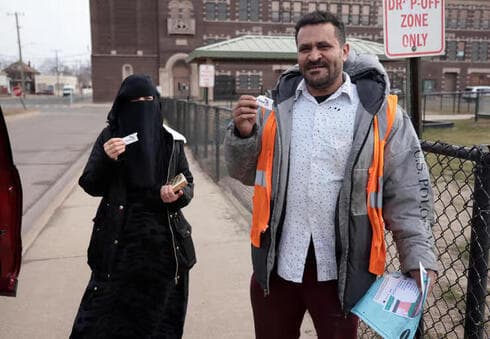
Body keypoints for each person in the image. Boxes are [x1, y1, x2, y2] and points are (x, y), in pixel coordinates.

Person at [224, 11, 437, 339]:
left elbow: (408, 192)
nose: (314, 55)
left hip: (341, 274)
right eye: (305, 48)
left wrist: (417, 257)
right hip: (275, 268)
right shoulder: (276, 108)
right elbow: (243, 173)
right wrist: (242, 135)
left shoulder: (381, 113)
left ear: (345, 50)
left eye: (324, 46)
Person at [70, 74, 195, 338]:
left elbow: (187, 183)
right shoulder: (110, 137)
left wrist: (176, 194)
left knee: (158, 323)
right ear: (122, 104)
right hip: (119, 245)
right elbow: (91, 184)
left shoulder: (171, 140)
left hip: (164, 248)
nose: (142, 106)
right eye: (134, 100)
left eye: (148, 100)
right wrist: (106, 159)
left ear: (156, 103)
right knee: (103, 321)